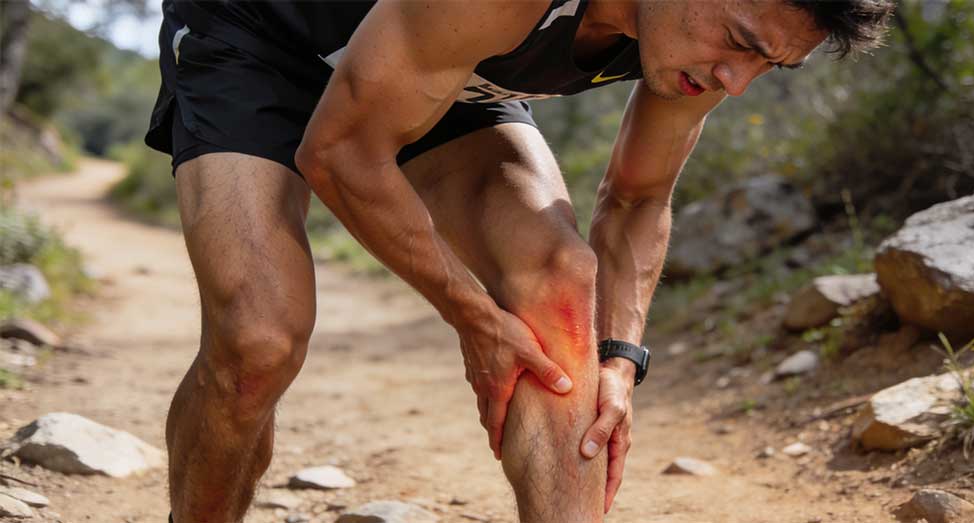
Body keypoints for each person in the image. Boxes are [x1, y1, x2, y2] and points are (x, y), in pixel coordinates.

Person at [145, 1, 893, 521]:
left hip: (437, 72)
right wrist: (475, 317)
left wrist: (619, 360)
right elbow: (339, 152)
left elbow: (636, 200)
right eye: (738, 39)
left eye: (769, 63)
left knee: (561, 284)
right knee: (258, 340)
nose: (737, 80)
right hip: (262, 40)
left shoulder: (701, 52)